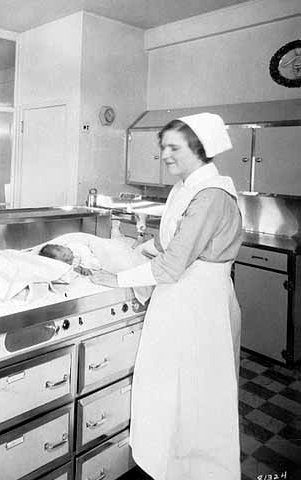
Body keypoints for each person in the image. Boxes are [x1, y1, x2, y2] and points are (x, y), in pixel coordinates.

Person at [90, 112, 242, 479]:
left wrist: (117, 277)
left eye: (173, 147)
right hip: (177, 300)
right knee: (169, 387)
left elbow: (172, 265)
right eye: (163, 147)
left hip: (201, 304)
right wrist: (129, 249)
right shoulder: (183, 188)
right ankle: (166, 465)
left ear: (199, 148)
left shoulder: (212, 195)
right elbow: (163, 243)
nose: (165, 155)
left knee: (196, 394)